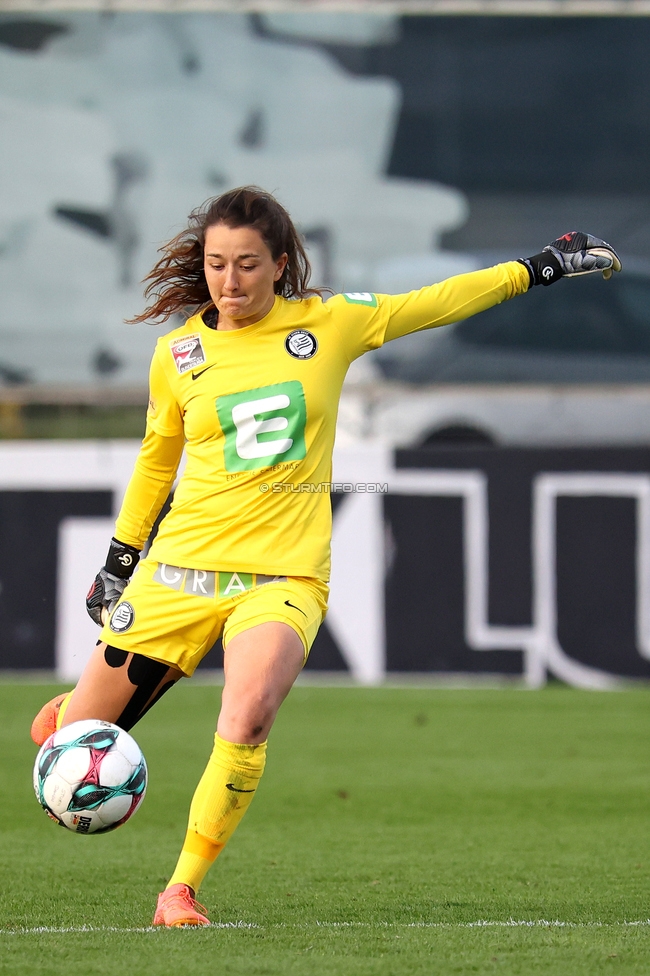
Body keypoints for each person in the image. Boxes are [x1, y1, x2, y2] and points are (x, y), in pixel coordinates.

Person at [30, 187, 621, 927]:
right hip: (177, 572)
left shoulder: (328, 324)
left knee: (248, 716)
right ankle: (71, 712)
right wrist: (120, 561)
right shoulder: (177, 354)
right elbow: (158, 461)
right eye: (216, 264)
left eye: (248, 265)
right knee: (64, 756)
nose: (229, 282)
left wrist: (539, 267)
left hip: (283, 577)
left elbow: (435, 302)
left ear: (280, 265)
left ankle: (179, 891)